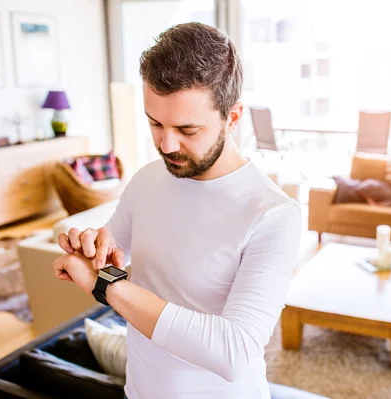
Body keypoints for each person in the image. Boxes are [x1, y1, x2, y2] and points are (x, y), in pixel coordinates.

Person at [53, 22, 302, 399]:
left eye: (187, 129)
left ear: (232, 117)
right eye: (155, 123)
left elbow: (234, 352)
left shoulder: (273, 215)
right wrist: (90, 248)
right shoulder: (147, 179)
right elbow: (111, 249)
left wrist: (106, 287)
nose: (167, 144)